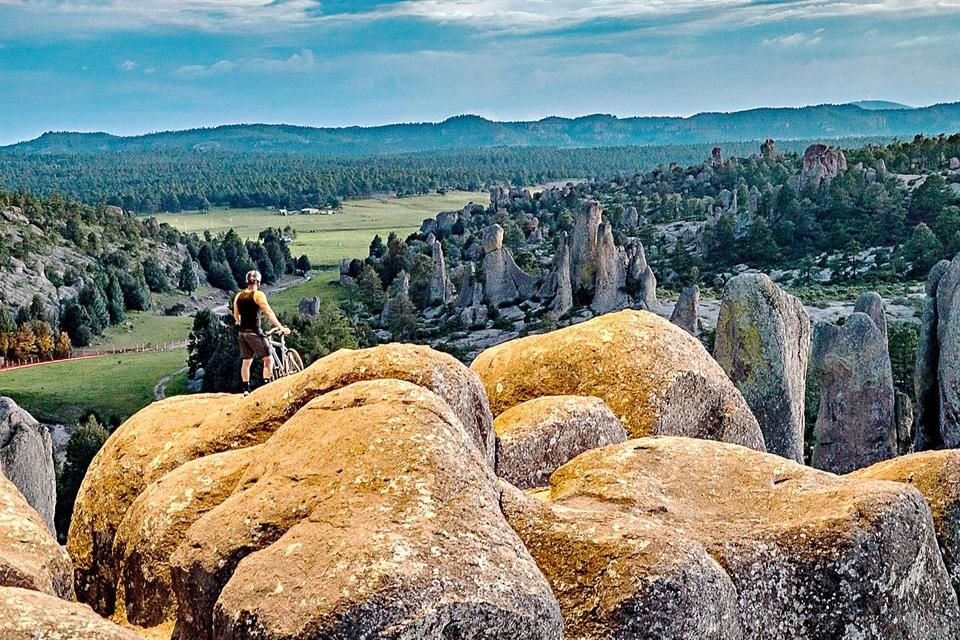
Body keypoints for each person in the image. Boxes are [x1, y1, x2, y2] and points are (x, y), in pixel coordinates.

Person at [233, 270, 289, 395]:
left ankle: (246, 389)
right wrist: (280, 327)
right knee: (268, 360)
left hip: (242, 334)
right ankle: (266, 386)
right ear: (259, 282)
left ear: (247, 281)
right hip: (254, 332)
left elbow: (236, 314)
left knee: (246, 361)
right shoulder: (258, 295)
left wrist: (239, 322)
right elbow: (268, 312)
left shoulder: (238, 296)